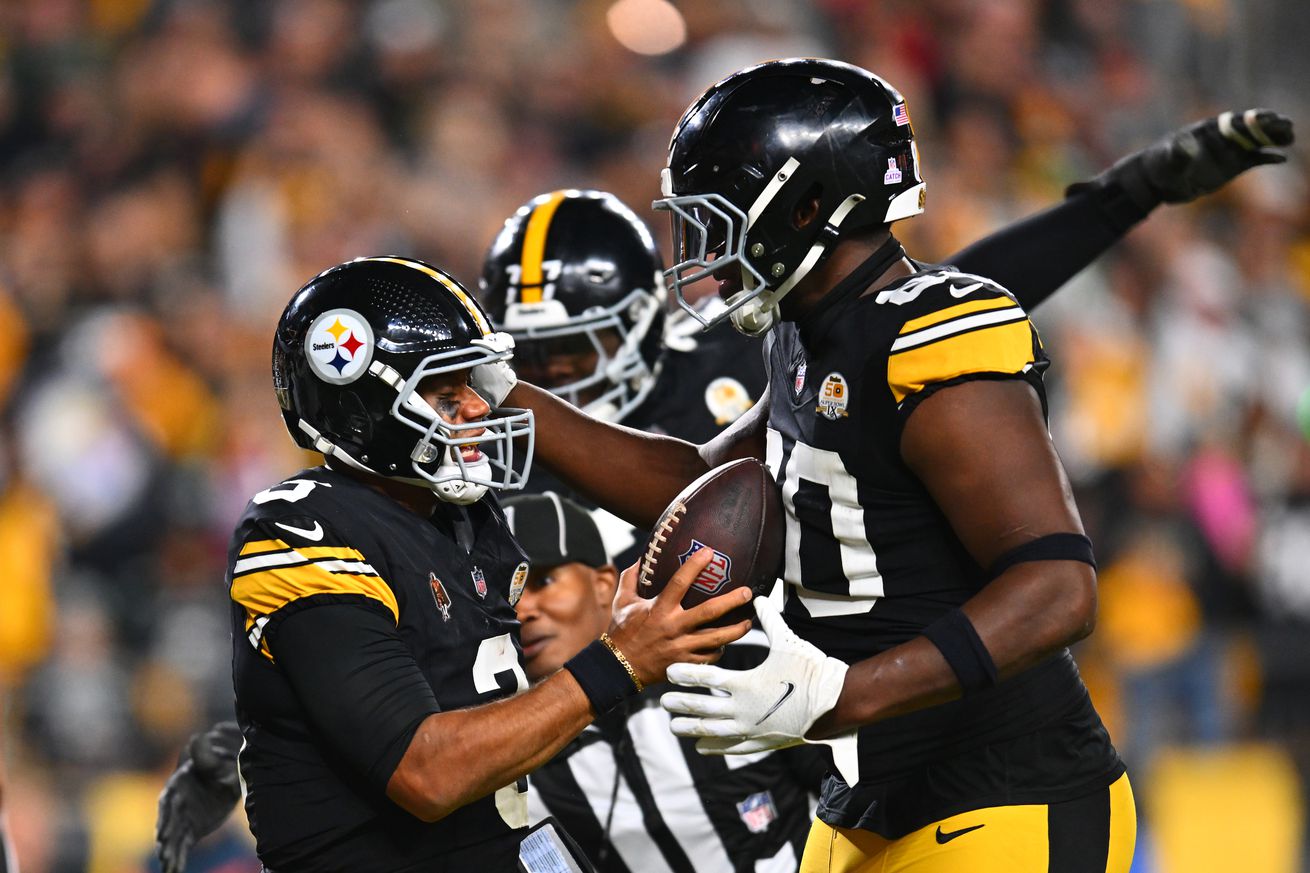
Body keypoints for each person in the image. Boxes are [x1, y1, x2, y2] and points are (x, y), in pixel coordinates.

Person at [158, 93, 1294, 867]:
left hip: (876, 772)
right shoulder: (480, 460)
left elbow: (950, 308)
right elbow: (387, 666)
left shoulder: (813, 342)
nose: (523, 386)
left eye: (549, 361)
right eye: (504, 365)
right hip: (785, 792)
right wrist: (259, 741)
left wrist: (1119, 198)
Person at [219, 255, 751, 872]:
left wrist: (615, 631)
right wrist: (619, 659)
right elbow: (427, 774)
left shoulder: (464, 517)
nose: (478, 408)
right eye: (448, 394)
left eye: (472, 385)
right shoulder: (300, 532)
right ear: (365, 414)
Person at [505, 491, 824, 872]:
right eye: (506, 596)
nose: (522, 611)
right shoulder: (513, 757)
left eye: (543, 581)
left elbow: (862, 801)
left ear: (605, 584)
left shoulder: (741, 663)